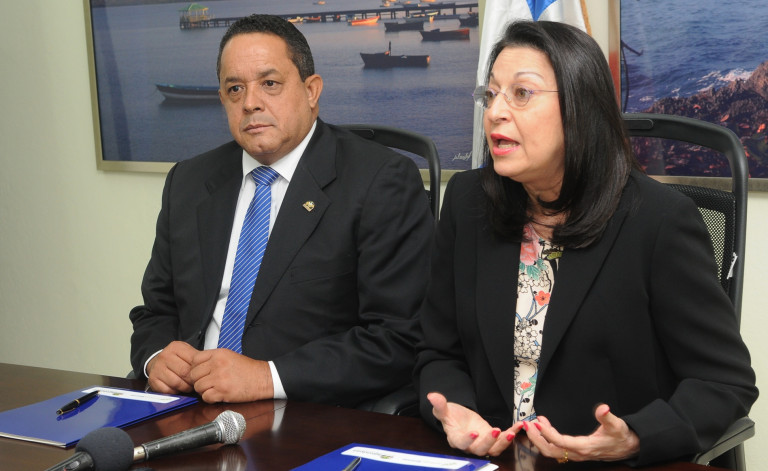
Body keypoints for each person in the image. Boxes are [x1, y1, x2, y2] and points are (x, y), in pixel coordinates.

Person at [414, 20, 757, 466]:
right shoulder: (467, 202)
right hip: (495, 460)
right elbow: (438, 351)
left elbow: (725, 382)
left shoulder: (659, 222)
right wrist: (454, 409)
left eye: (521, 93)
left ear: (580, 108)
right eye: (490, 94)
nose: (495, 111)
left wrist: (633, 437)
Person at [130, 14, 433, 408]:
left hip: (303, 414)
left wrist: (266, 377)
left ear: (311, 91)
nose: (250, 103)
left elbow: (398, 338)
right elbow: (156, 311)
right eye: (235, 89)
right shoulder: (188, 181)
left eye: (269, 84)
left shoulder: (380, 181)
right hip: (187, 406)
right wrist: (156, 358)